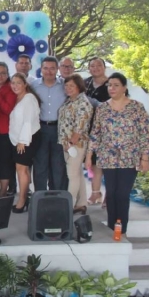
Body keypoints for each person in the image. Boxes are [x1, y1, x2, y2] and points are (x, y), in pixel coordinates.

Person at [86, 73, 149, 235]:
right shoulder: (102, 108)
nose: (112, 88)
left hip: (129, 157)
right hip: (107, 157)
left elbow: (145, 133)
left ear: (124, 87)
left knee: (122, 194)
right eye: (109, 85)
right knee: (112, 194)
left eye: (116, 85)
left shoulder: (136, 107)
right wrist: (89, 155)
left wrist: (145, 157)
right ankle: (112, 227)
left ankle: (121, 229)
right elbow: (96, 133)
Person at [58, 74, 93, 214]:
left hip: (75, 145)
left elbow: (80, 127)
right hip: (67, 143)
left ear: (79, 86)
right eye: (66, 86)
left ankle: (69, 205)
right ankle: (81, 203)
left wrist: (71, 143)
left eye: (71, 85)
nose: (68, 88)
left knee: (72, 176)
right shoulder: (70, 101)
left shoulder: (83, 103)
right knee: (77, 173)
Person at [31, 56, 67, 191]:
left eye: (52, 68)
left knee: (58, 165)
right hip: (40, 129)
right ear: (41, 69)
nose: (49, 71)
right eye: (46, 68)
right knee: (40, 164)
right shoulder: (33, 85)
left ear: (57, 69)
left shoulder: (64, 85)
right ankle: (40, 196)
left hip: (60, 129)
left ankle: (57, 196)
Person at [9, 73, 42, 213]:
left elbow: (28, 121)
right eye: (13, 83)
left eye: (18, 83)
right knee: (24, 170)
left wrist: (22, 141)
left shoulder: (28, 98)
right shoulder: (18, 98)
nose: (15, 86)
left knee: (21, 170)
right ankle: (24, 197)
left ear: (25, 84)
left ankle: (22, 201)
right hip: (19, 139)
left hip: (27, 139)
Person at [84, 57, 110, 206]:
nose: (95, 68)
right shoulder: (86, 83)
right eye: (92, 66)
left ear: (104, 67)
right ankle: (95, 193)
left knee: (106, 163)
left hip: (107, 130)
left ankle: (108, 195)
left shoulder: (111, 83)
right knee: (94, 163)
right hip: (89, 129)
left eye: (98, 65)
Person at [0, 62, 17, 198]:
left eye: (3, 73)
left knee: (5, 164)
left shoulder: (10, 88)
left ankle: (3, 193)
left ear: (7, 75)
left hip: (4, 132)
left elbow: (8, 109)